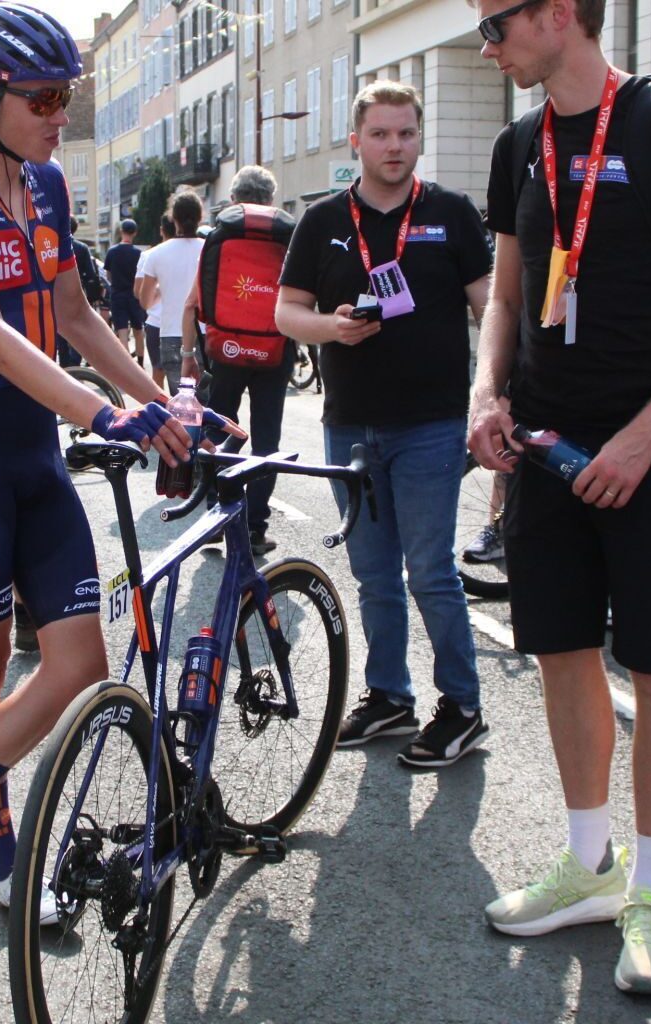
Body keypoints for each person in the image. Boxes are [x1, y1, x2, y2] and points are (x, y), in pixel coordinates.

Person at [0, 2, 216, 952]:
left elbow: (75, 317)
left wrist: (165, 405)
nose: (64, 114)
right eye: (47, 97)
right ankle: (6, 863)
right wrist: (105, 414)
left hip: (37, 450)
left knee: (78, 663)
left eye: (71, 94)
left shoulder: (51, 185)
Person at [466, 0, 651, 995]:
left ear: (559, 13)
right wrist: (487, 392)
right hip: (548, 450)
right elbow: (508, 292)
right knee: (559, 651)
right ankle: (589, 865)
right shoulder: (521, 142)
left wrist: (646, 438)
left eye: (496, 21)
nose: (487, 42)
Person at [276, 80, 494, 770]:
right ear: (356, 141)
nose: (394, 146)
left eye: (405, 133)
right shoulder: (320, 220)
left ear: (418, 137)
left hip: (431, 423)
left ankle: (461, 707)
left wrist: (498, 391)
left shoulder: (453, 215)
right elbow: (286, 314)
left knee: (430, 570)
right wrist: (332, 330)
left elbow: (492, 309)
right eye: (380, 134)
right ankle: (389, 696)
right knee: (374, 575)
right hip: (351, 426)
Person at [184, 164, 295, 557]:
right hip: (276, 349)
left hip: (225, 347)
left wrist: (188, 355)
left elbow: (198, 303)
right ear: (271, 201)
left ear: (233, 200)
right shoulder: (287, 236)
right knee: (267, 439)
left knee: (216, 430)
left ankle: (217, 514)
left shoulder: (219, 235)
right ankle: (254, 527)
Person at [134, 192, 204, 392]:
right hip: (206, 333)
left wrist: (160, 288)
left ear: (174, 219)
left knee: (181, 402)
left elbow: (145, 301)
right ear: (200, 218)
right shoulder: (210, 249)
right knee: (207, 403)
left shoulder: (156, 254)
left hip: (172, 334)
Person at [56, 216, 105, 368]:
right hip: (78, 292)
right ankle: (75, 362)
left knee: (61, 330)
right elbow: (91, 274)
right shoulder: (82, 248)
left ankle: (65, 364)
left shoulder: (51, 246)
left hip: (56, 295)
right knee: (78, 329)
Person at [135, 215, 174, 388]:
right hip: (190, 323)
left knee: (158, 371)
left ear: (161, 230)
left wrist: (157, 291)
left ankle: (160, 412)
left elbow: (138, 292)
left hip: (157, 322)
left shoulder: (149, 255)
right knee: (189, 378)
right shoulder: (201, 250)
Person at [104, 218, 145, 364]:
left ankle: (127, 365)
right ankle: (141, 364)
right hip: (134, 296)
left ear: (121, 231)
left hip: (117, 295)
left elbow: (108, 275)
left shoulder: (112, 252)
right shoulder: (139, 254)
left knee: (122, 331)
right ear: (134, 233)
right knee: (138, 331)